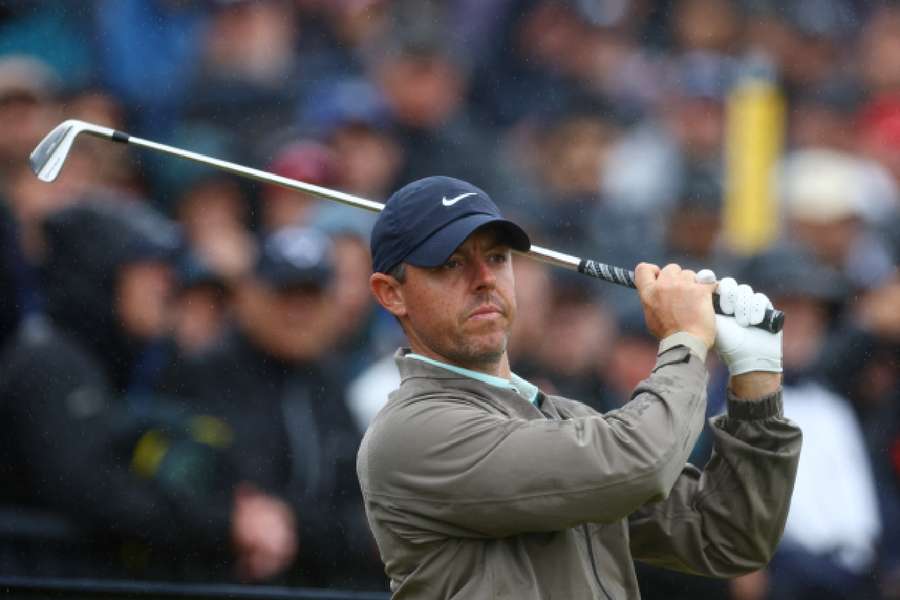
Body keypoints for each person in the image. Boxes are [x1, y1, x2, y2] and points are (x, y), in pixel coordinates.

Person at [357, 176, 801, 598]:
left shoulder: (564, 416)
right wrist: (685, 340)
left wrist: (755, 378)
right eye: (451, 263)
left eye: (496, 257)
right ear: (390, 293)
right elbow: (640, 463)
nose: (484, 279)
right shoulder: (413, 433)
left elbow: (727, 535)